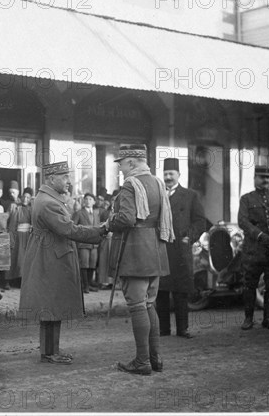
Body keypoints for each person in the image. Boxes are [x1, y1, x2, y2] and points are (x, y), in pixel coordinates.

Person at [19, 161, 105, 365]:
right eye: (64, 177)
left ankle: (51, 351)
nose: (69, 181)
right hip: (51, 258)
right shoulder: (49, 203)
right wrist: (100, 231)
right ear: (50, 179)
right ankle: (50, 352)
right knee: (51, 303)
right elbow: (69, 230)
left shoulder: (46, 198)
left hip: (49, 255)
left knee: (51, 303)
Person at [106, 144, 174, 375]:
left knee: (137, 306)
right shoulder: (157, 182)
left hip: (135, 251)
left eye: (122, 164)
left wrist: (109, 223)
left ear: (132, 163)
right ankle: (156, 360)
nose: (121, 169)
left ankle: (142, 362)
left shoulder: (130, 185)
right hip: (155, 249)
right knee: (148, 304)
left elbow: (125, 219)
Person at [157, 158, 207, 339]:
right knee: (161, 291)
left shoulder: (190, 195)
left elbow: (200, 221)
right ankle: (163, 329)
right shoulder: (158, 194)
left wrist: (190, 237)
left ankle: (182, 329)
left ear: (179, 175)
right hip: (161, 248)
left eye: (171, 174)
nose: (168, 177)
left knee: (181, 290)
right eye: (165, 174)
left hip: (180, 249)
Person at [238, 165, 269, 331]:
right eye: (261, 177)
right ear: (254, 178)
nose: (265, 180)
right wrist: (259, 235)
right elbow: (242, 221)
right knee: (249, 284)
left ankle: (268, 318)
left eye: (267, 177)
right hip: (253, 250)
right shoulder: (246, 199)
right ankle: (248, 318)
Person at [72, 193, 101, 293]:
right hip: (83, 242)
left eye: (90, 199)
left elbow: (98, 227)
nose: (88, 201)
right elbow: (73, 226)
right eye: (86, 199)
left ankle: (88, 284)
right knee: (84, 264)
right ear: (83, 201)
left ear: (94, 202)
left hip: (94, 243)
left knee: (92, 264)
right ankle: (85, 286)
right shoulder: (79, 213)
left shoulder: (96, 213)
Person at [6, 187, 33, 288]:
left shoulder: (32, 209)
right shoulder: (14, 206)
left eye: (28, 198)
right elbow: (6, 219)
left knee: (23, 260)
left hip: (26, 236)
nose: (25, 199)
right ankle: (7, 281)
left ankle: (21, 281)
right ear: (21, 197)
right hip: (15, 235)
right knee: (13, 258)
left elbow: (34, 222)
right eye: (24, 197)